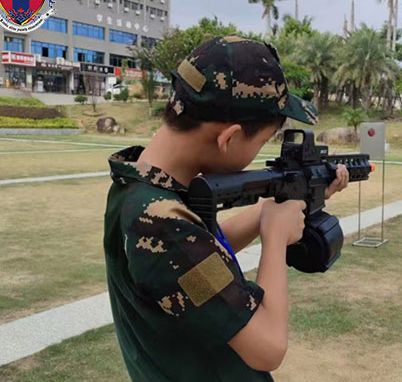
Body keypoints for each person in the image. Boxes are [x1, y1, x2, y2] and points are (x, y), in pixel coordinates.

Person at [103, 35, 349, 381]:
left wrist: (274, 208)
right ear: (228, 138)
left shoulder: (143, 188)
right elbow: (268, 348)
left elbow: (199, 259)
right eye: (262, 141)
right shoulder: (160, 223)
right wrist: (275, 238)